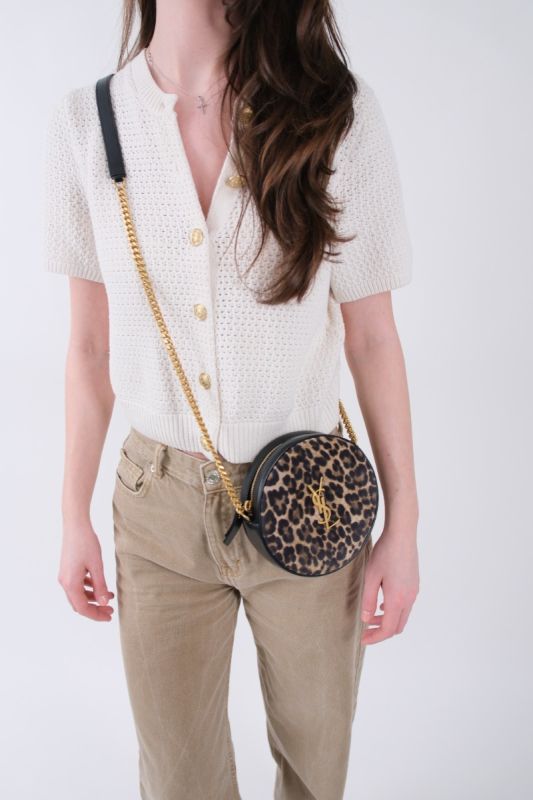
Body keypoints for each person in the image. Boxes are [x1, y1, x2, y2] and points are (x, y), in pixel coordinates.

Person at [43, 1, 420, 798]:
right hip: (156, 507)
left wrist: (404, 525)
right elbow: (88, 348)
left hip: (312, 496)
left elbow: (372, 339)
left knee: (315, 772)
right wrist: (72, 514)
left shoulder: (333, 112)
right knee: (178, 782)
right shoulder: (86, 122)